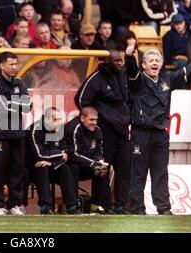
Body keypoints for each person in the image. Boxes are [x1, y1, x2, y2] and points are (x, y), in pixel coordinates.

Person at [125, 42, 191, 215]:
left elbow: (188, 70)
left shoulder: (167, 79)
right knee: (138, 173)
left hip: (161, 134)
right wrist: (130, 57)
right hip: (141, 133)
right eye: (150, 60)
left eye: (157, 60)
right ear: (144, 65)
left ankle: (164, 208)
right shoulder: (137, 80)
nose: (154, 63)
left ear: (161, 64)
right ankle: (137, 208)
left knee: (161, 172)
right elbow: (131, 70)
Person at [74, 50, 131, 214]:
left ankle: (121, 205)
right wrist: (97, 117)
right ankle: (105, 204)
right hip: (106, 129)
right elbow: (80, 99)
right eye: (116, 61)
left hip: (122, 129)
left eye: (121, 60)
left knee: (124, 169)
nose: (119, 63)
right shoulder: (96, 78)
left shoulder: (122, 75)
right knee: (104, 168)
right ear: (107, 62)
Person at [0, 51, 32, 215]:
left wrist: (11, 101)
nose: (14, 67)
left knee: (17, 170)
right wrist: (17, 102)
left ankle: (14, 204)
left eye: (15, 64)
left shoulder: (19, 82)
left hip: (17, 134)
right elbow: (1, 107)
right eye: (11, 64)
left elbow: (28, 106)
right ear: (2, 65)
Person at [26, 107, 78, 214]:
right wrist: (58, 155)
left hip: (52, 164)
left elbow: (65, 156)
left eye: (60, 119)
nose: (59, 123)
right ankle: (46, 206)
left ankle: (72, 206)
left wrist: (52, 161)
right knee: (42, 167)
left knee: (64, 168)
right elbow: (39, 155)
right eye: (55, 120)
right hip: (33, 167)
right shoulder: (35, 129)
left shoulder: (60, 129)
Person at [64, 106, 109, 213]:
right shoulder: (73, 128)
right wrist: (93, 163)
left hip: (87, 165)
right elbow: (73, 155)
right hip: (71, 165)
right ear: (82, 118)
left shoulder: (97, 130)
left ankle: (95, 205)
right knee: (73, 167)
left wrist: (99, 162)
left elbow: (98, 151)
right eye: (91, 119)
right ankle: (72, 205)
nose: (94, 123)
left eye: (96, 120)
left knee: (102, 169)